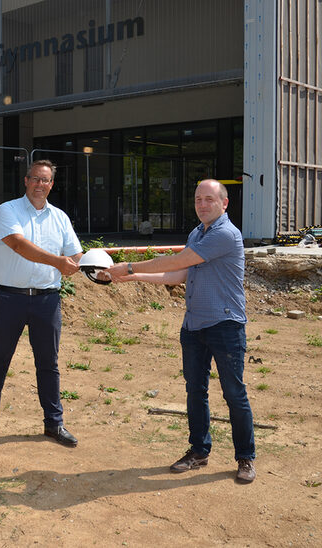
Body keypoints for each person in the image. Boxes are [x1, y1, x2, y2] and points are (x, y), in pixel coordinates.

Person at [102, 179, 256, 483]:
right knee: (195, 391)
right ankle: (199, 450)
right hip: (194, 326)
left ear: (224, 204)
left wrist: (130, 267)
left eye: (209, 199)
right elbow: (178, 274)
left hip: (225, 326)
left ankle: (245, 457)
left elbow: (180, 260)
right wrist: (132, 279)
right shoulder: (197, 233)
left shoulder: (226, 234)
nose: (202, 204)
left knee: (234, 393)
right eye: (198, 199)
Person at [0, 159, 83, 447]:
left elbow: (75, 254)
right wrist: (58, 261)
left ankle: (54, 424)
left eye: (45, 180)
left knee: (49, 363)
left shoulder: (60, 218)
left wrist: (81, 264)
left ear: (51, 185)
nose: (40, 185)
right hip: (11, 299)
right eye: (35, 179)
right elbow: (18, 245)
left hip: (47, 300)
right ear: (25, 181)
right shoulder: (7, 210)